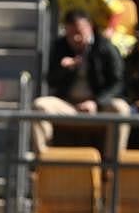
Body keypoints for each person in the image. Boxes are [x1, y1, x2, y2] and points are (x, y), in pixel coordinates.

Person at [32, 9, 130, 158]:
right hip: (70, 105)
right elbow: (50, 79)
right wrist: (64, 69)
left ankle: (111, 168)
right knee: (40, 105)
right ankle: (44, 162)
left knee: (121, 109)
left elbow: (119, 82)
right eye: (70, 34)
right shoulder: (60, 46)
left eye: (79, 32)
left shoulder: (105, 47)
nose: (76, 38)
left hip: (98, 106)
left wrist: (96, 102)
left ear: (89, 27)